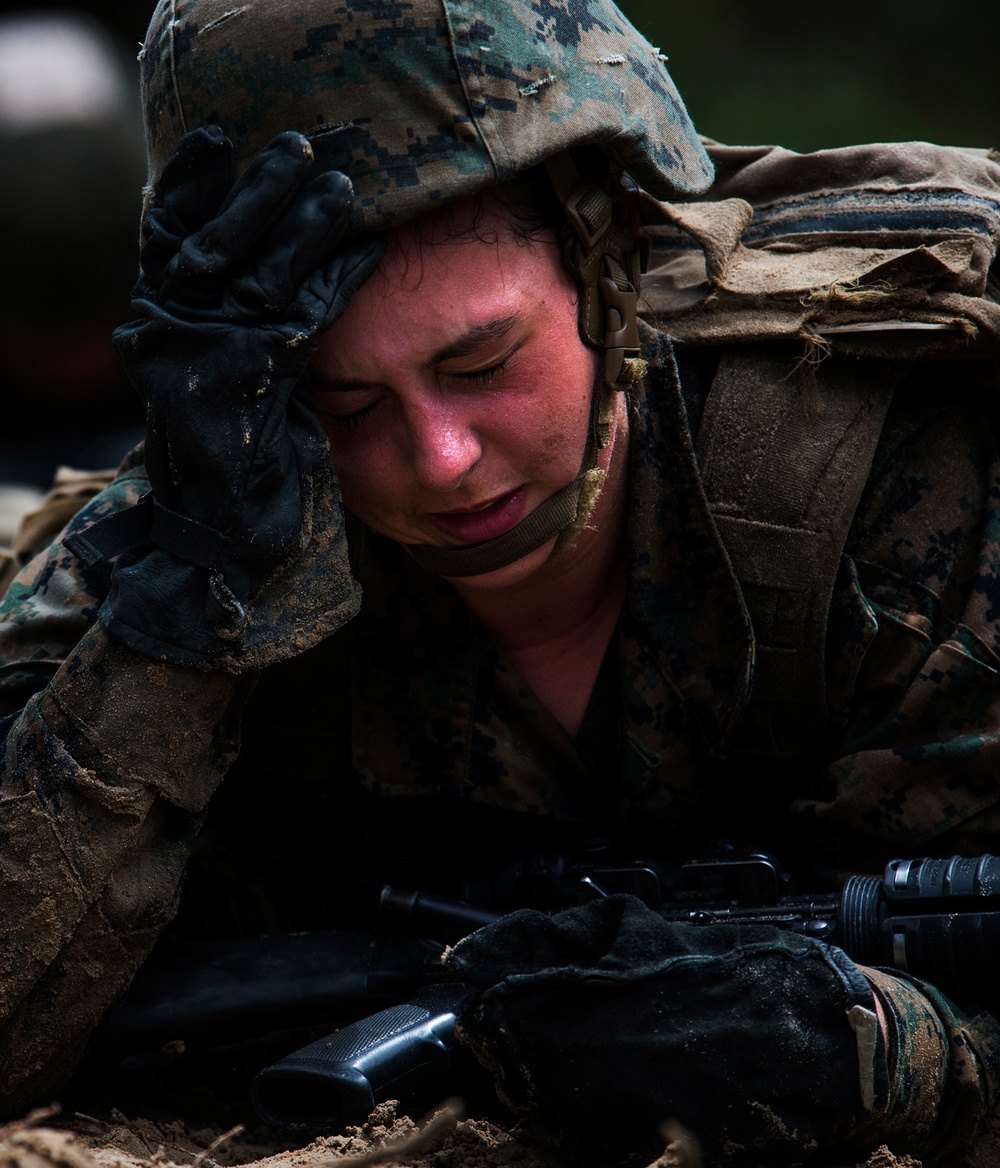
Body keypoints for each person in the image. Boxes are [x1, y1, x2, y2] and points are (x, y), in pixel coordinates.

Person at [0, 0, 999, 1164]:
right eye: (347, 402)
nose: (440, 459)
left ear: (606, 259)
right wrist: (187, 611)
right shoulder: (210, 515)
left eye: (482, 362)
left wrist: (886, 1058)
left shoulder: (893, 463)